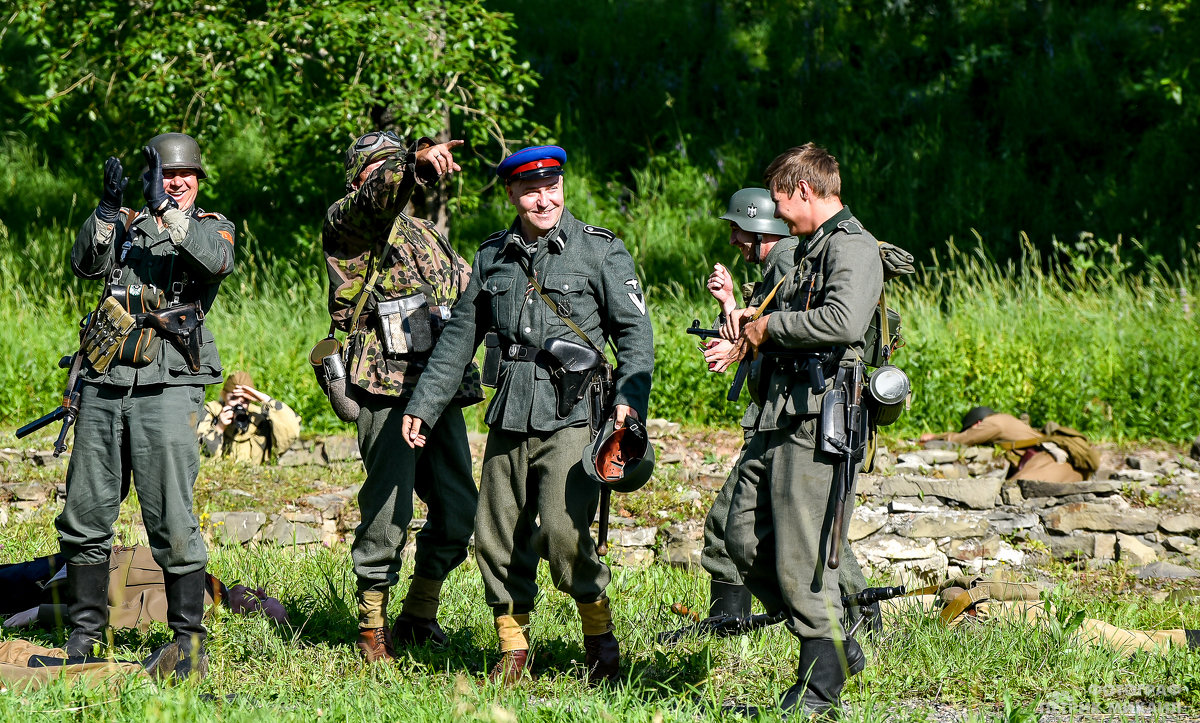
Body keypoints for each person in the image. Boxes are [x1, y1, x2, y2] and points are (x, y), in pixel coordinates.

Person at [400, 145, 655, 685]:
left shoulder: (599, 251)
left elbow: (635, 335)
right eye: (531, 190)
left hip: (575, 416)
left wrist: (631, 403)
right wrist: (424, 404)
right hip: (510, 413)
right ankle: (513, 648)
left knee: (564, 535)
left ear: (562, 187)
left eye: (552, 187)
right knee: (495, 535)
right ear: (513, 195)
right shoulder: (494, 255)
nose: (544, 199)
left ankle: (599, 636)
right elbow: (459, 339)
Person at [56, 132, 234, 679]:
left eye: (183, 175)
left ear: (197, 179)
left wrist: (164, 208)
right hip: (107, 381)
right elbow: (86, 263)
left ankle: (188, 646)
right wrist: (107, 212)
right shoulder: (127, 226)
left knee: (174, 519)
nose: (175, 182)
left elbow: (215, 263)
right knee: (86, 513)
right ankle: (83, 637)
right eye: (165, 174)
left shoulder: (210, 226)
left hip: (169, 387)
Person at [722, 144, 884, 716]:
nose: (776, 213)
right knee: (736, 536)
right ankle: (834, 649)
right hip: (781, 414)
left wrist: (768, 327)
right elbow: (780, 316)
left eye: (780, 200)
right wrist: (746, 324)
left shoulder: (854, 249)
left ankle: (819, 687)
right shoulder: (811, 248)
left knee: (801, 558)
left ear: (804, 193)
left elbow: (843, 320)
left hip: (819, 421)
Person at [322, 129, 481, 663]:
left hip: (437, 388)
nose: (393, 180)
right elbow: (380, 195)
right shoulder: (349, 224)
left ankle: (417, 615)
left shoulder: (425, 235)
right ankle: (371, 628)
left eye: (398, 168)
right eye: (381, 170)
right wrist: (411, 164)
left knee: (460, 513)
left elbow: (471, 292)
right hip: (384, 387)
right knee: (387, 513)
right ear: (361, 179)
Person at [698, 188, 869, 622]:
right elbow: (763, 332)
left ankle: (839, 620)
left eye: (738, 229)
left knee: (787, 525)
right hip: (779, 410)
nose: (733, 240)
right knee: (788, 524)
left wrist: (744, 337)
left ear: (760, 229)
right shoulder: (782, 263)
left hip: (796, 412)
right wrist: (731, 309)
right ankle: (829, 620)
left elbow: (795, 330)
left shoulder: (790, 260)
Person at [1, 545, 288, 631]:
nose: (258, 593)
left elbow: (123, 616)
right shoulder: (208, 583)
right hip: (81, 560)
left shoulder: (194, 604)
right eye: (266, 594)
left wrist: (42, 612)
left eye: (260, 604)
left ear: (246, 618)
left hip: (64, 583)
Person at [919, 407, 1094, 482]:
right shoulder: (1009, 422)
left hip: (1052, 462)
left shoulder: (994, 423)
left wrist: (937, 436)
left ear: (978, 423)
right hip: (1070, 467)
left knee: (1013, 492)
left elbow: (963, 439)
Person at [196, 371, 302, 463]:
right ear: (223, 397)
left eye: (245, 400)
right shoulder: (212, 413)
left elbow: (291, 432)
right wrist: (219, 427)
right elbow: (201, 455)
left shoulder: (258, 417)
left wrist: (265, 400)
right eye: (233, 398)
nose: (239, 405)